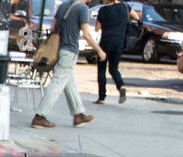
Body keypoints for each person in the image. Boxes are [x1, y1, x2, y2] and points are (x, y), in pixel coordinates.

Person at [32, 0, 106, 128]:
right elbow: (86, 34)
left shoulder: (63, 6)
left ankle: (78, 115)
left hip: (57, 49)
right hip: (69, 50)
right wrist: (99, 51)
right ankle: (40, 116)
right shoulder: (82, 9)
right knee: (57, 84)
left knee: (70, 84)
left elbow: (54, 27)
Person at [94, 0, 135, 104]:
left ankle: (102, 98)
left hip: (106, 41)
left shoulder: (103, 10)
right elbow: (136, 17)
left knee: (102, 69)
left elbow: (97, 28)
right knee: (113, 68)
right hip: (119, 42)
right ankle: (121, 85)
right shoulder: (125, 6)